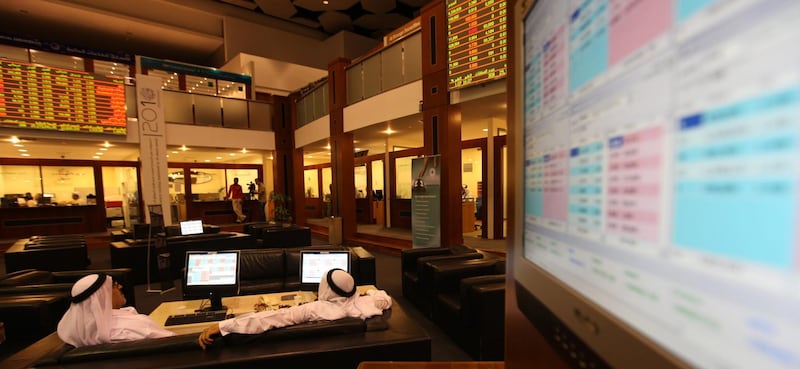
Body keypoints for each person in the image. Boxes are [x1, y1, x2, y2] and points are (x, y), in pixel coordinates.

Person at [198, 269, 392, 350]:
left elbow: (272, 318)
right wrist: (366, 295)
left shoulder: (314, 309)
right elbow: (384, 298)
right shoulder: (367, 305)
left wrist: (224, 325)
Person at [57, 274, 174, 347]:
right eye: (115, 286)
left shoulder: (80, 332)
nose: (120, 287)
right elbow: (172, 343)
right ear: (103, 295)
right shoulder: (127, 331)